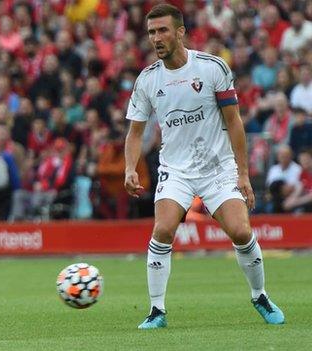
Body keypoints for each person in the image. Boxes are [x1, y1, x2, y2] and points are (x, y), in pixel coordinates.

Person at [124, 4, 284, 329]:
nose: (156, 38)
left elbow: (234, 122)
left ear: (180, 32)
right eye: (152, 32)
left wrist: (242, 173)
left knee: (240, 231)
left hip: (217, 167)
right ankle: (157, 311)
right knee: (163, 229)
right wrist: (130, 167)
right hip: (176, 170)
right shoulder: (147, 80)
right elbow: (135, 131)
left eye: (163, 30)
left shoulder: (212, 68)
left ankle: (260, 295)